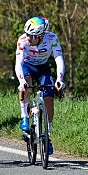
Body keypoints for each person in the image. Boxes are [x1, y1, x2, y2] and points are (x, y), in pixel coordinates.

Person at [15, 16, 65, 156]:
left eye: (32, 36)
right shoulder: (23, 40)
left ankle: (47, 136)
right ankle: (24, 116)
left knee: (49, 99)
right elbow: (18, 63)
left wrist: (59, 79)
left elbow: (58, 59)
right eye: (28, 34)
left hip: (43, 68)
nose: (29, 38)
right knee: (26, 85)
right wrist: (21, 81)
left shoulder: (52, 39)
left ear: (41, 35)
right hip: (27, 67)